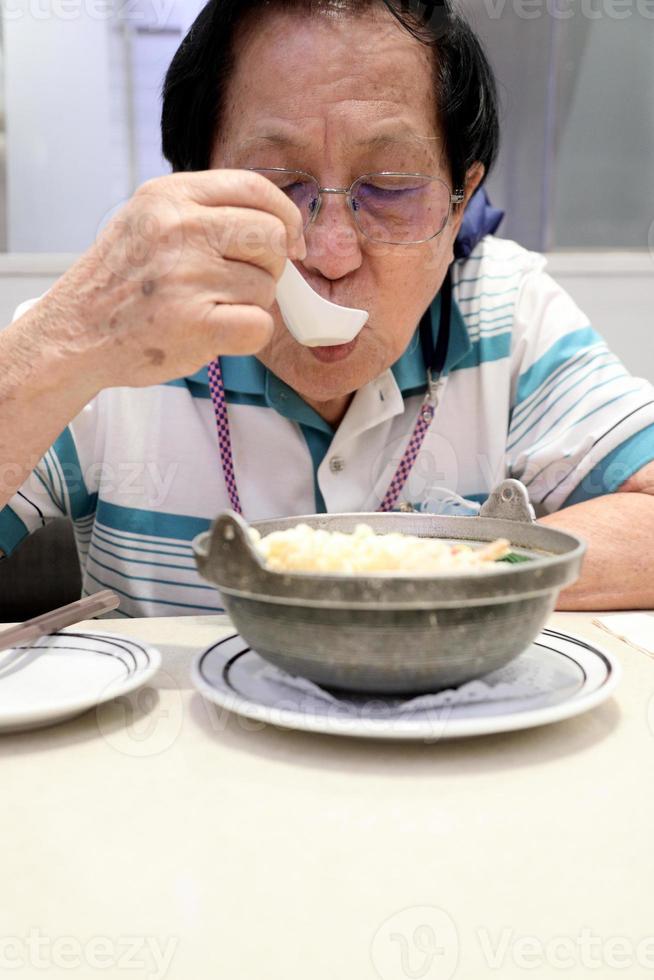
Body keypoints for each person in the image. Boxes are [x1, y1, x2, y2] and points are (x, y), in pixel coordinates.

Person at [1, 0, 653, 618]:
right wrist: (63, 343)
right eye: (281, 186)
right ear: (196, 185)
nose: (332, 253)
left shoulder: (501, 309)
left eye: (391, 188)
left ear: (461, 203)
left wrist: (439, 576)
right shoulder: (119, 328)